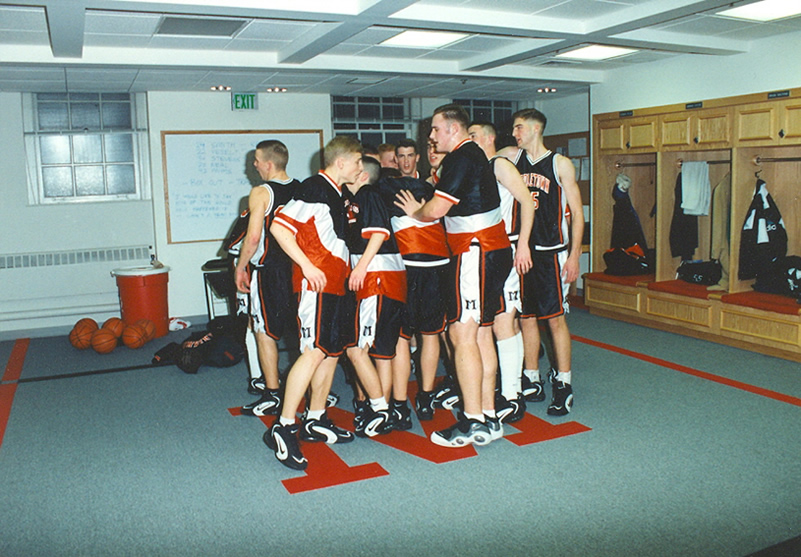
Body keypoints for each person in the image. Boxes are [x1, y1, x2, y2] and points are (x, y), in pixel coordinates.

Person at [395, 104, 512, 447]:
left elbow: (438, 208)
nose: (430, 136)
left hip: (475, 249)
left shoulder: (462, 156)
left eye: (435, 129)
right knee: (480, 333)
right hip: (490, 249)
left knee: (461, 332)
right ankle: (488, 415)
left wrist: (416, 212)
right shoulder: (471, 155)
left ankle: (474, 419)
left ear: (453, 129)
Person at [264, 136, 364, 471]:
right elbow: (279, 226)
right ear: (341, 163)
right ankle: (284, 425)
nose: (361, 167)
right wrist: (307, 266)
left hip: (337, 285)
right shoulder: (315, 188)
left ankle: (315, 417)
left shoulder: (336, 192)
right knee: (312, 351)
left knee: (330, 351)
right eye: (357, 162)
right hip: (315, 286)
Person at [498, 108, 583, 416]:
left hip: (552, 251)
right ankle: (531, 376)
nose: (515, 133)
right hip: (522, 251)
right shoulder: (512, 160)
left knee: (555, 319)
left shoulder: (560, 164)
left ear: (535, 128)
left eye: (519, 128)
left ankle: (563, 382)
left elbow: (577, 214)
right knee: (526, 317)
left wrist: (574, 255)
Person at [377, 143, 451, 422]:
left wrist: (422, 211)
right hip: (405, 270)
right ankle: (398, 401)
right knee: (401, 336)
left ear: (417, 158)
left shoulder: (435, 188)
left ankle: (425, 395)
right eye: (401, 157)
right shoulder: (387, 187)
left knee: (430, 334)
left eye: (410, 156)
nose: (406, 161)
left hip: (435, 269)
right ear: (394, 160)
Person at [468, 121, 535, 422]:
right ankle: (509, 388)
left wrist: (523, 245)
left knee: (503, 322)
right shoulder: (481, 166)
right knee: (498, 322)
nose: (469, 140)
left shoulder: (500, 165)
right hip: (485, 251)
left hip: (506, 247)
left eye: (473, 136)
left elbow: (528, 204)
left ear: (488, 138)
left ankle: (512, 394)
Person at [233, 140, 300, 417]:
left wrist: (240, 266)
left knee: (265, 333)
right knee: (301, 334)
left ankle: (272, 394)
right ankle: (307, 388)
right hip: (298, 270)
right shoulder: (304, 189)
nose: (255, 165)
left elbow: (253, 237)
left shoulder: (261, 192)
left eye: (257, 160)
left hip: (269, 271)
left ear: (269, 164)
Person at [343, 156, 408, 432]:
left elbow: (378, 234)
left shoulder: (368, 196)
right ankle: (383, 408)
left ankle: (380, 408)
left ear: (362, 175)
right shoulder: (361, 197)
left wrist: (360, 268)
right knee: (382, 349)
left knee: (356, 348)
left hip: (377, 277)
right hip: (387, 275)